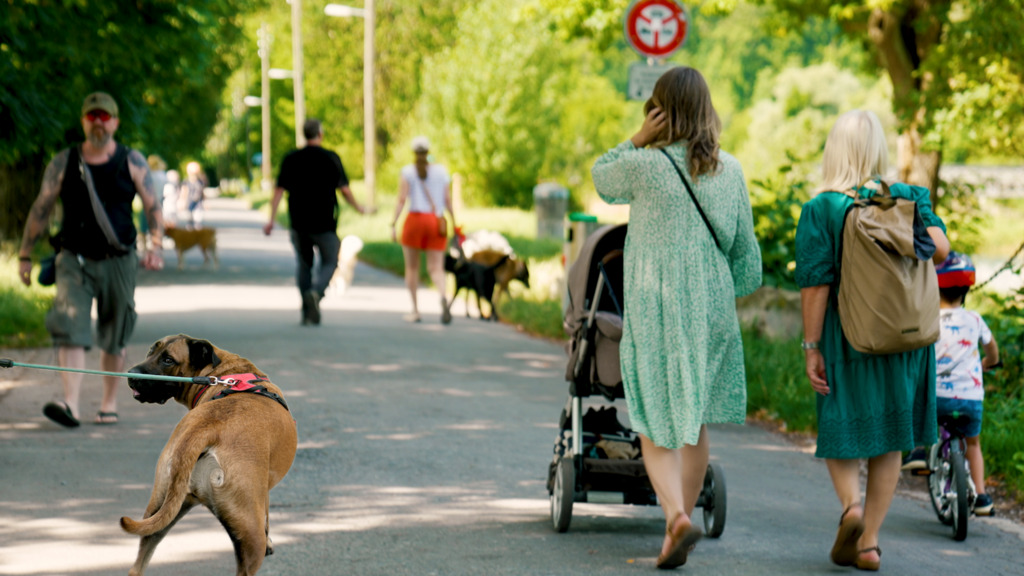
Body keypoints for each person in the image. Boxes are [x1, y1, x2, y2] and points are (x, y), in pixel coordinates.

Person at [591, 66, 762, 569]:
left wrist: (636, 139)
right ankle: (683, 515)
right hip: (710, 308)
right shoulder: (729, 170)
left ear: (659, 110)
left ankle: (675, 518)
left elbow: (602, 178)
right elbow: (746, 260)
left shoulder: (645, 166)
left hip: (656, 304)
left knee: (652, 418)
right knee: (693, 418)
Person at [795, 109, 950, 571]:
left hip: (850, 337)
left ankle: (851, 508)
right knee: (891, 438)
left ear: (834, 151)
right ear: (878, 150)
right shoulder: (906, 197)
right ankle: (869, 543)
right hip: (904, 340)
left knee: (841, 426)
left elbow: (816, 285)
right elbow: (941, 250)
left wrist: (812, 347)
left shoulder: (821, 208)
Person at [16, 91, 164, 427]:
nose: (98, 122)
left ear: (115, 122)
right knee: (70, 328)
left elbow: (153, 206)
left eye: (104, 116)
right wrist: (25, 254)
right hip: (74, 260)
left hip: (118, 259)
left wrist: (156, 246)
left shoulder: (132, 160)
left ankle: (108, 403)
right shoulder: (63, 162)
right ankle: (70, 404)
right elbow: (41, 208)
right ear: (83, 121)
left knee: (115, 333)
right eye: (92, 116)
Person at [901, 252, 999, 515]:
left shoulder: (927, 317)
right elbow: (993, 351)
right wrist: (988, 363)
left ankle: (918, 451)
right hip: (970, 398)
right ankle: (981, 497)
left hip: (938, 397)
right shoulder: (975, 319)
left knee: (917, 404)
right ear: (967, 288)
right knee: (974, 444)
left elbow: (914, 351)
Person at [264, 118, 371, 325]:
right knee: (331, 261)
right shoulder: (331, 158)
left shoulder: (291, 158)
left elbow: (278, 192)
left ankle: (307, 311)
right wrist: (358, 208)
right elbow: (345, 190)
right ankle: (316, 293)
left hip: (298, 223)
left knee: (304, 265)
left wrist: (271, 220)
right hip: (324, 223)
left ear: (305, 134)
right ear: (320, 134)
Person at [389, 136, 456, 324]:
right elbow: (447, 200)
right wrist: (454, 221)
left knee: (412, 268)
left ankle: (415, 310)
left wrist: (393, 223)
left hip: (415, 221)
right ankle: (443, 296)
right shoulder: (441, 171)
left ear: (413, 152)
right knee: (436, 268)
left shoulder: (408, 172)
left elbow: (402, 200)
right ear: (428, 151)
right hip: (435, 221)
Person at [181, 161, 206, 229]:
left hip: (198, 203)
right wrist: (182, 201)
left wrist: (205, 202)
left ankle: (197, 235)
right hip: (189, 202)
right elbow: (184, 192)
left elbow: (202, 192)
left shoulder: (200, 181)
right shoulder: (186, 181)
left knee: (198, 220)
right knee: (189, 220)